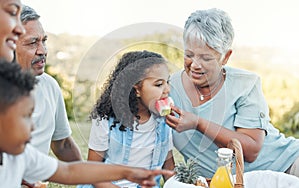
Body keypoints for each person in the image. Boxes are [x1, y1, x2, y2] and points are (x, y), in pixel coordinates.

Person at [166, 8, 299, 178]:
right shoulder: (168, 88)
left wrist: (198, 123)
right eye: (189, 55)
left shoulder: (245, 83)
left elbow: (251, 151)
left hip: (286, 165)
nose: (195, 65)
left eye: (206, 58)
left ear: (226, 57)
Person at [0, 60, 174, 188]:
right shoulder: (108, 121)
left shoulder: (22, 156)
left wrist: (128, 173)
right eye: (25, 116)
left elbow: (69, 172)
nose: (33, 126)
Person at [79, 50, 175, 188]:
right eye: (159, 84)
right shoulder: (106, 119)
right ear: (136, 89)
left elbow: (169, 168)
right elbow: (93, 173)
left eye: (168, 82)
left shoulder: (164, 120)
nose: (167, 90)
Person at [14, 5, 82, 162]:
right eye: (32, 43)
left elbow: (63, 145)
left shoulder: (49, 85)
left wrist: (87, 183)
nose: (42, 50)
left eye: (43, 41)